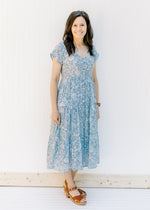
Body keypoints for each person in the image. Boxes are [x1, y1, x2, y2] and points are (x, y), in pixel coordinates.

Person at [47, 10, 101, 205]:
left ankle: (70, 182)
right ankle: (70, 186)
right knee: (66, 144)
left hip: (86, 106)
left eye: (82, 25)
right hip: (67, 104)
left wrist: (96, 105)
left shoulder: (92, 50)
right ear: (70, 27)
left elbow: (94, 80)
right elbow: (54, 79)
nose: (79, 28)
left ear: (87, 28)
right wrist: (54, 108)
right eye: (75, 25)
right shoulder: (62, 48)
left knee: (82, 143)